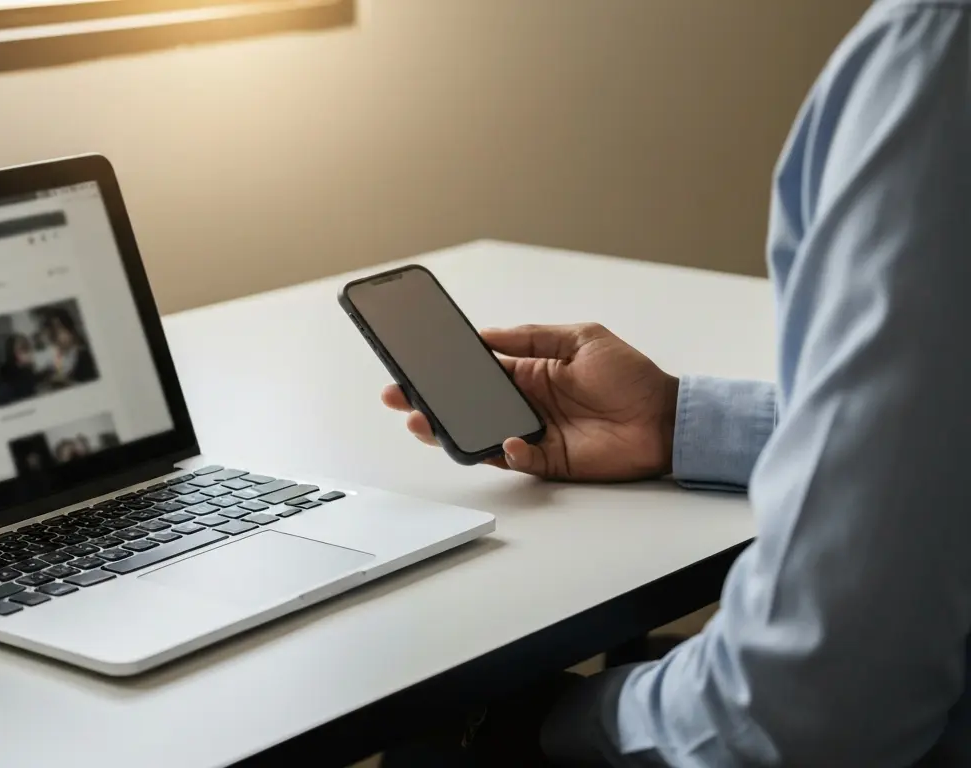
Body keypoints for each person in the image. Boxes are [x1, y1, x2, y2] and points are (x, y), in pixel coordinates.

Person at [382, 1, 971, 764]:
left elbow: (815, 709)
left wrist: (543, 723)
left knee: (435, 731)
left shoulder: (938, 50)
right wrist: (673, 422)